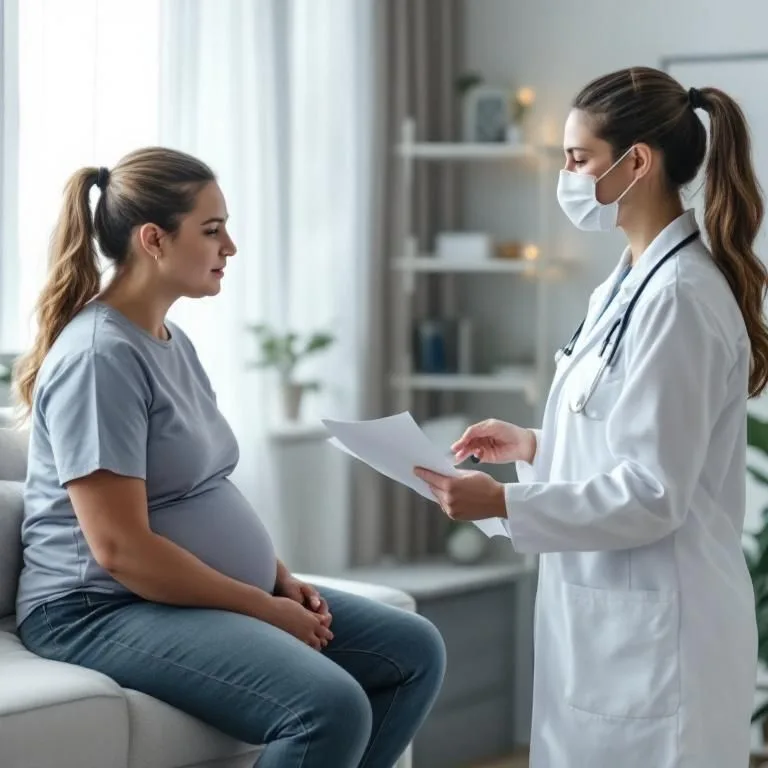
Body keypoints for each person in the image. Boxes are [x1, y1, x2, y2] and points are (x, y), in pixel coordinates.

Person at [14, 147, 446, 768]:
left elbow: (199, 486)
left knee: (412, 651)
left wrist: (277, 577)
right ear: (153, 240)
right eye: (212, 230)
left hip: (157, 595)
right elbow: (120, 550)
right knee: (327, 707)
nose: (230, 247)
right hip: (96, 607)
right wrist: (260, 607)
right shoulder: (99, 360)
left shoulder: (169, 340)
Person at [416, 66, 767, 767]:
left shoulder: (679, 298)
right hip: (609, 623)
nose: (567, 175)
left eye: (578, 159)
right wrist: (535, 446)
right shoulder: (628, 281)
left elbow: (655, 492)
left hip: (662, 633)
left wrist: (508, 504)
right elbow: (626, 435)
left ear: (637, 163)